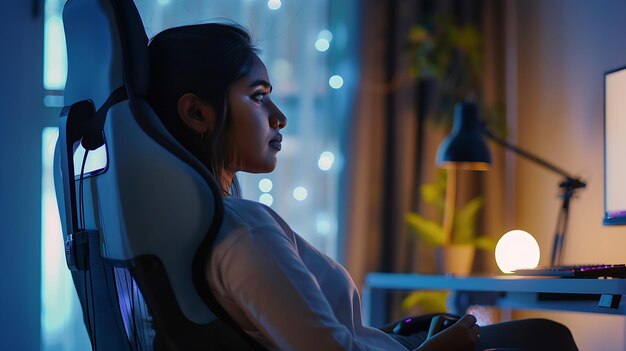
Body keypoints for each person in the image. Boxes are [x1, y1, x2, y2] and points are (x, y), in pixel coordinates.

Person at [146, 23, 578, 351]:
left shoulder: (209, 222)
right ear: (197, 114)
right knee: (546, 336)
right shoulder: (243, 233)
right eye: (258, 96)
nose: (279, 117)